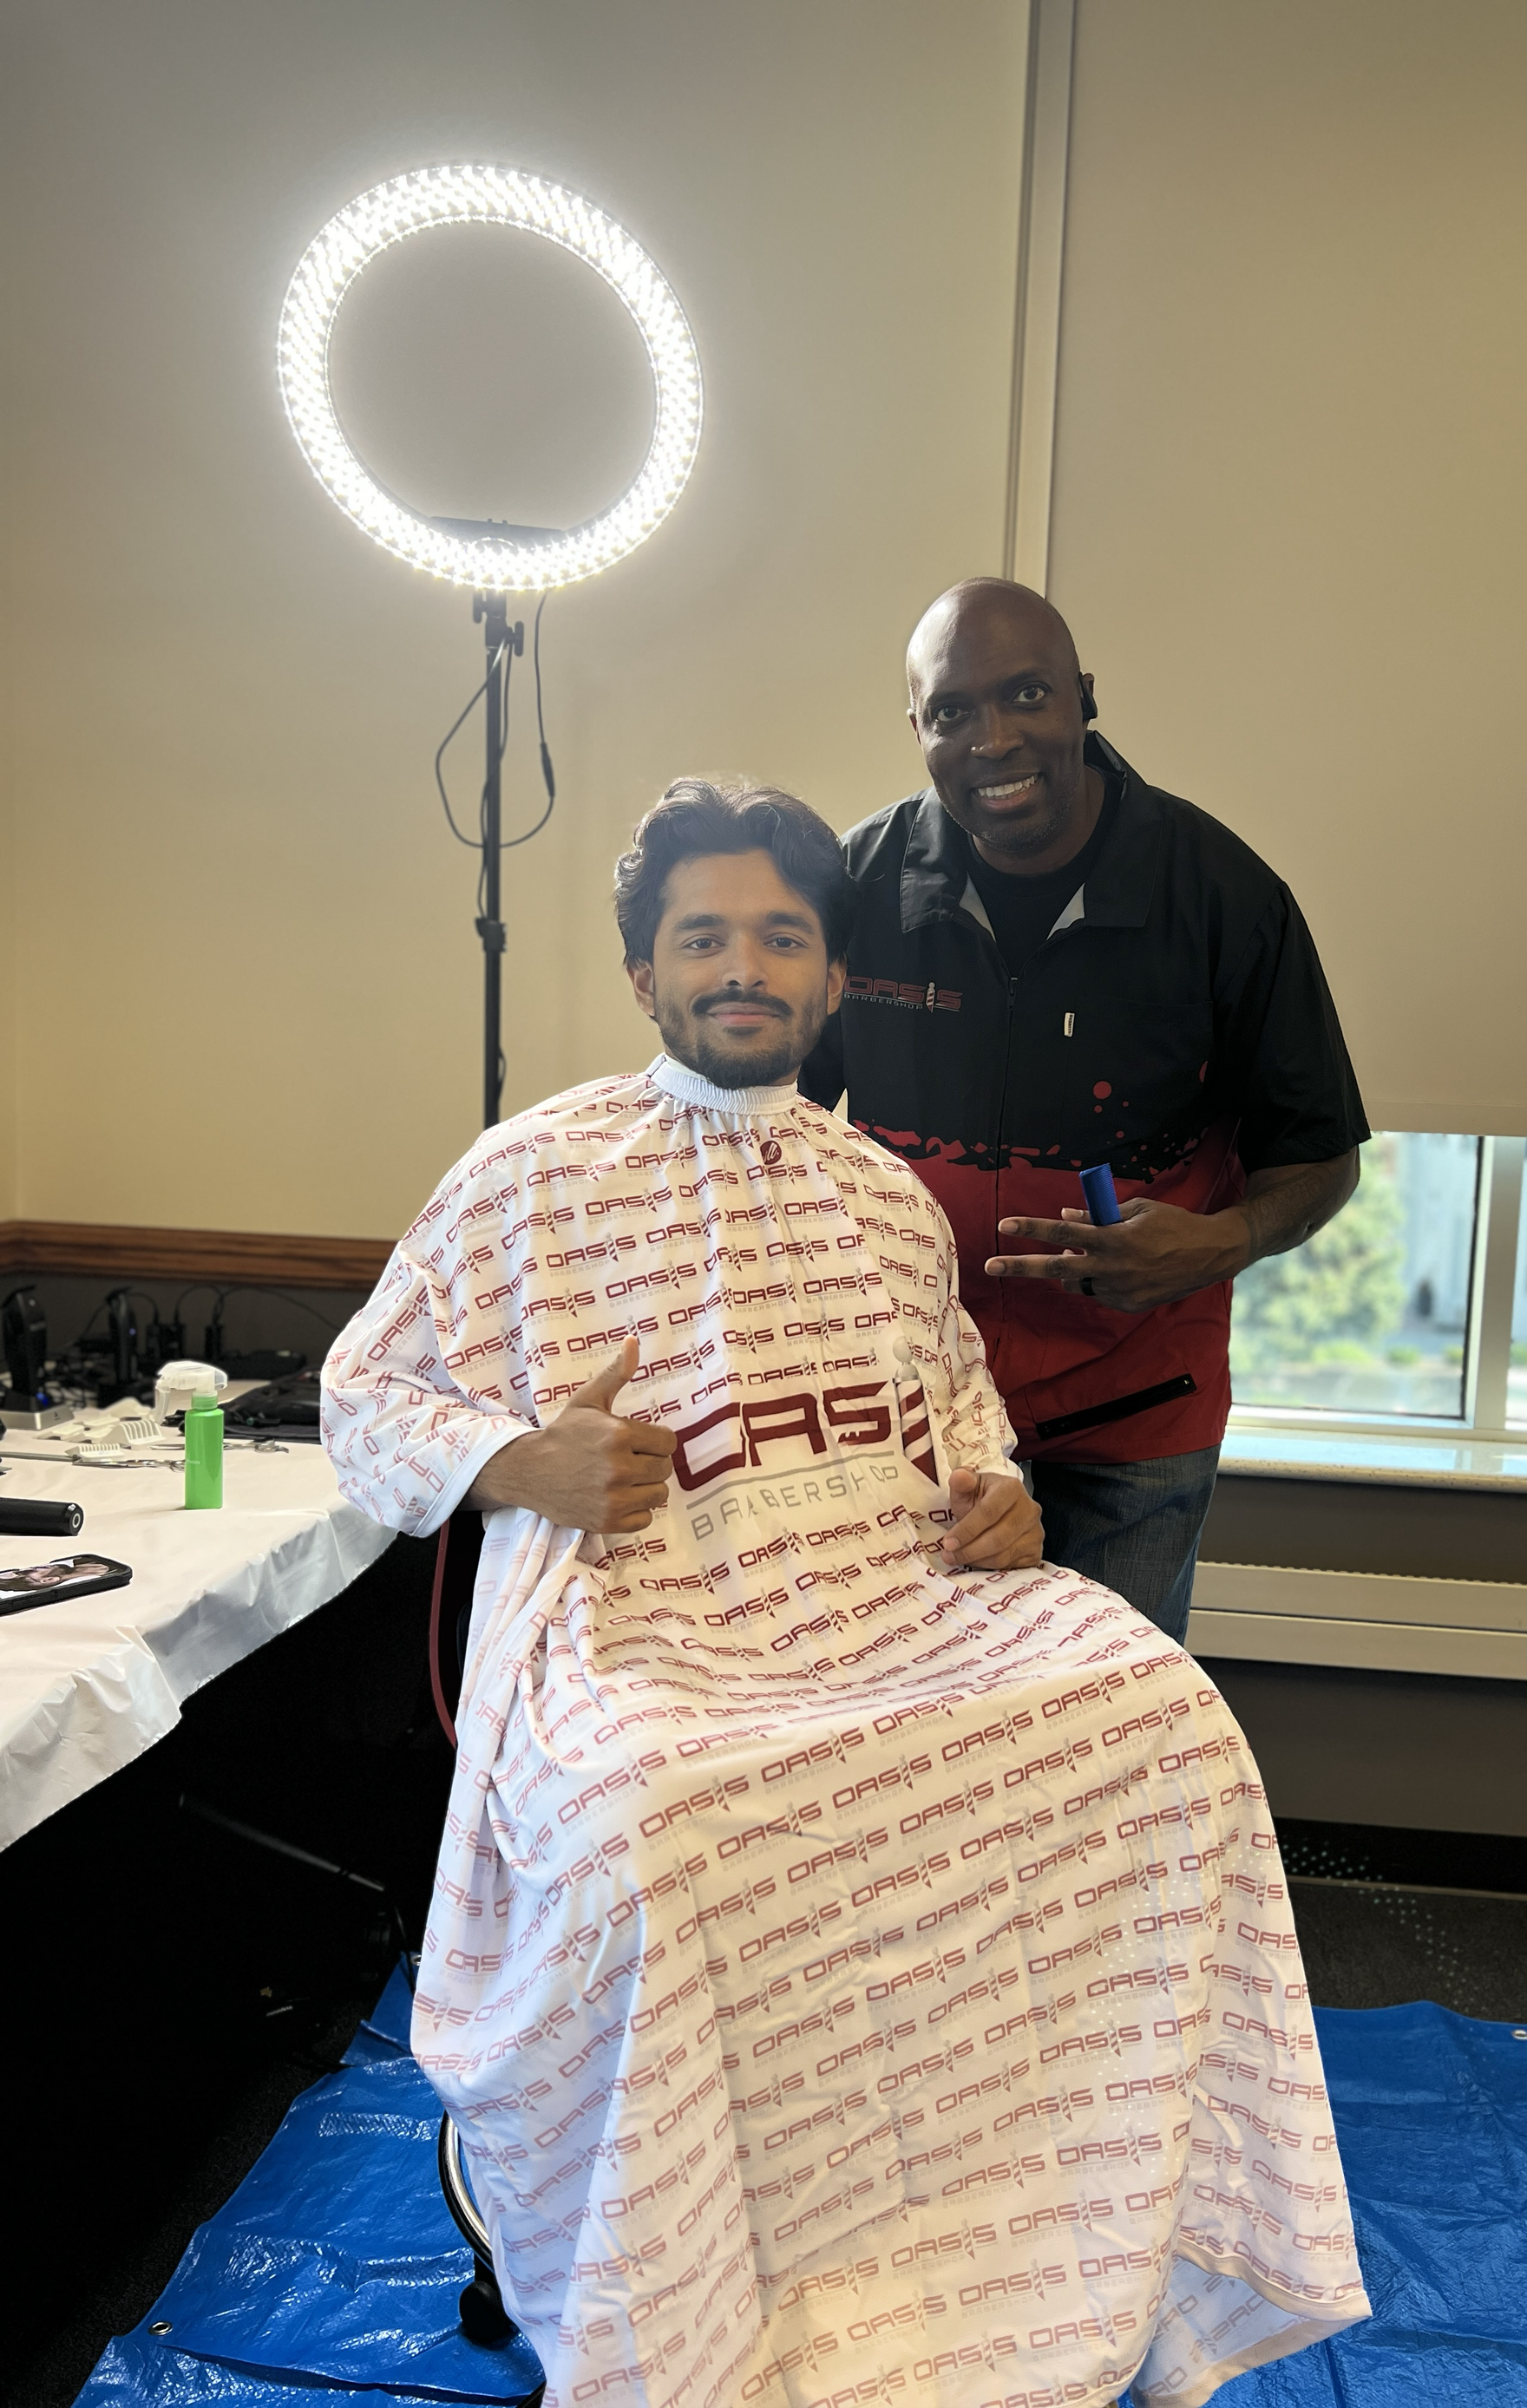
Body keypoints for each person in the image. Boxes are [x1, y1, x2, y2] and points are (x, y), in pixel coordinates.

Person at [323, 779, 1367, 2408]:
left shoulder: (881, 1195)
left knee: (1166, 1726)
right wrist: (521, 1460)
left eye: (780, 937)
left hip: (892, 1612)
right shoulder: (527, 1178)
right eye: (704, 937)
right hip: (647, 1633)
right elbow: (361, 1401)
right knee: (657, 1820)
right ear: (646, 975)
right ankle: (663, 2264)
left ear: (829, 980)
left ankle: (1016, 2228)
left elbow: (960, 1420)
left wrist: (1001, 1499)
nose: (743, 965)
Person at [800, 580, 1369, 1642]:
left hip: (1134, 1424)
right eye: (954, 711)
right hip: (912, 1417)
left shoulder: (1223, 897)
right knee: (920, 1722)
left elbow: (1321, 1156)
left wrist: (1217, 1243)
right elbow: (770, 1116)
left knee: (1101, 1744)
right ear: (917, 728)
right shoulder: (855, 890)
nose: (995, 738)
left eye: (1026, 695)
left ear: (1084, 700)